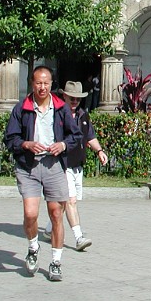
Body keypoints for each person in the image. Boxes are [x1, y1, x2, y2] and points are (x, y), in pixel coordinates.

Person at [4, 66, 82, 282]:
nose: (42, 87)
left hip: (53, 165)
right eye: (38, 83)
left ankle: (56, 262)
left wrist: (63, 145)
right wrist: (26, 144)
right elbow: (10, 138)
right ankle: (33, 247)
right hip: (28, 166)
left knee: (56, 213)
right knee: (30, 214)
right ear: (32, 83)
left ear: (51, 84)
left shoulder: (61, 108)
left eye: (46, 83)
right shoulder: (22, 108)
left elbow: (75, 135)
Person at [44, 81, 107, 251]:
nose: (75, 101)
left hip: (78, 165)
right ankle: (79, 238)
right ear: (64, 96)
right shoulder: (57, 115)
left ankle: (49, 229)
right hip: (62, 165)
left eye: (78, 99)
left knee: (67, 202)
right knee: (70, 200)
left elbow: (90, 137)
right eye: (72, 98)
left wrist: (99, 151)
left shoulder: (83, 115)